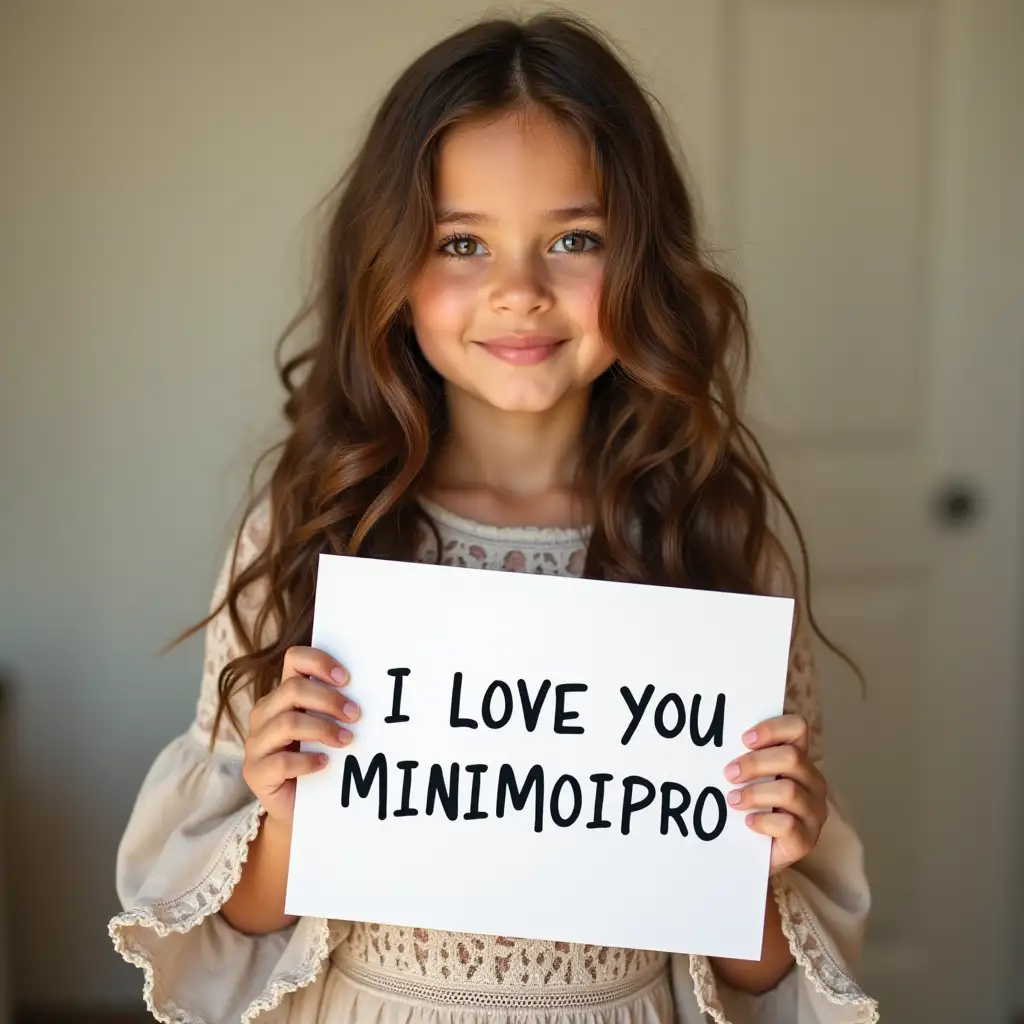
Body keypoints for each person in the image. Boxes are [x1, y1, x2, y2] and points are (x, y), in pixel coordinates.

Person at [109, 12, 877, 1024]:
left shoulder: (711, 542)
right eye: (461, 242)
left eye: (575, 239)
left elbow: (758, 979)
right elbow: (229, 935)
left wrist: (769, 858)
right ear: (390, 265)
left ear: (644, 256)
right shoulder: (307, 529)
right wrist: (290, 824)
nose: (519, 292)